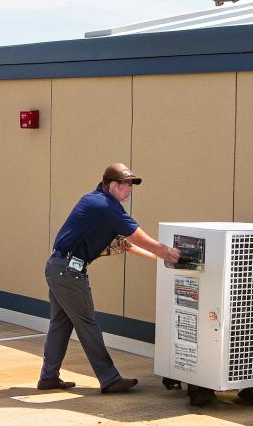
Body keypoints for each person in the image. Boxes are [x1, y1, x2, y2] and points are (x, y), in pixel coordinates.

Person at [40, 163, 181, 394]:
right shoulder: (105, 206)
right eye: (127, 184)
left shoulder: (98, 202)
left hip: (60, 268)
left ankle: (48, 377)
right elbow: (136, 236)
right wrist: (167, 253)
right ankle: (109, 378)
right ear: (113, 185)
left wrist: (158, 259)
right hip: (68, 272)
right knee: (87, 324)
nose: (131, 189)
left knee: (60, 325)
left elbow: (125, 245)